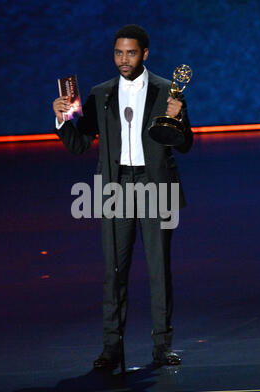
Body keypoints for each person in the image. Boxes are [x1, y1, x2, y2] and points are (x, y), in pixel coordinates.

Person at [53, 24, 193, 369]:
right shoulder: (101, 94)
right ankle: (111, 348)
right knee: (114, 272)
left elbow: (184, 143)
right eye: (118, 52)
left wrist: (178, 119)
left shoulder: (166, 90)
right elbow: (79, 143)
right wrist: (61, 121)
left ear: (145, 53)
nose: (123, 59)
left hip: (154, 186)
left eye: (130, 53)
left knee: (159, 269)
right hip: (116, 187)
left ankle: (162, 346)